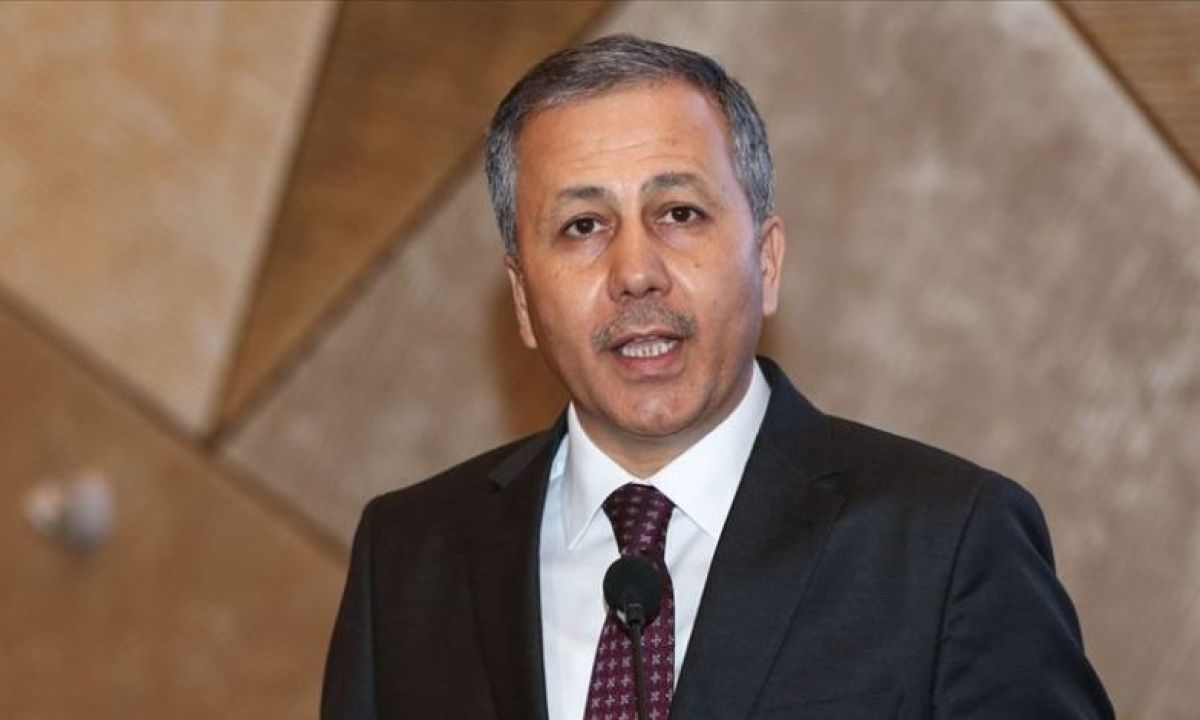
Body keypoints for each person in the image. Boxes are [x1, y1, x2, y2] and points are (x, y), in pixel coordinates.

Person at [321, 34, 1113, 720]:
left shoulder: (949, 541)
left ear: (766, 263)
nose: (636, 273)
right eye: (583, 226)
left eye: (679, 213)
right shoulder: (409, 556)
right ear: (524, 300)